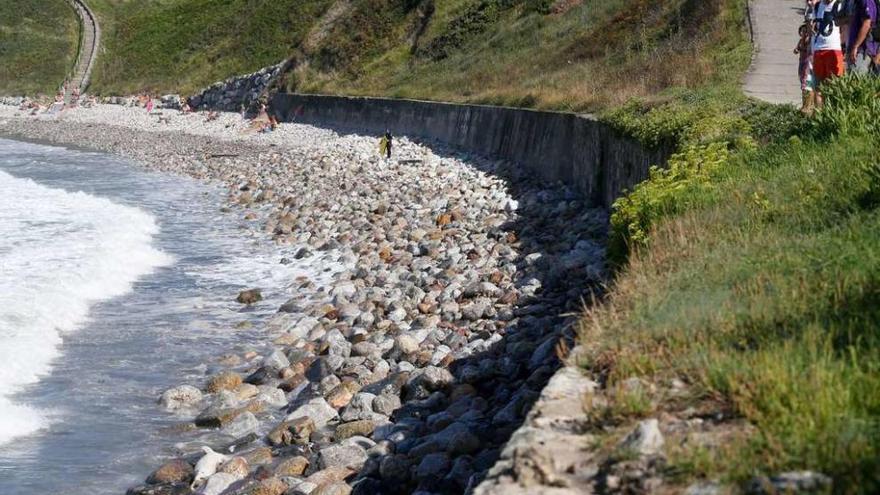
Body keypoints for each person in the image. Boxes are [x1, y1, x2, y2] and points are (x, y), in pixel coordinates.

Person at [812, 0, 846, 106]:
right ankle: (819, 116)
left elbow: (844, 28)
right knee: (818, 87)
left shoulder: (839, 5)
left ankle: (830, 113)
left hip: (833, 49)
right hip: (818, 49)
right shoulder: (818, 5)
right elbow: (813, 26)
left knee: (834, 85)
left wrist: (843, 47)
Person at [847, 0, 878, 73]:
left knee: (856, 80)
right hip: (857, 49)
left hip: (863, 50)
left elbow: (867, 24)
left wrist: (855, 46)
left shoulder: (866, 1)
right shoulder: (856, 2)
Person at [795, 23, 817, 113]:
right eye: (802, 31)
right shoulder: (801, 40)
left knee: (806, 82)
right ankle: (805, 104)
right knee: (802, 79)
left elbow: (806, 46)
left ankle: (807, 105)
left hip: (807, 62)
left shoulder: (809, 39)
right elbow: (796, 49)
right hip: (802, 62)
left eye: (805, 31)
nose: (803, 33)